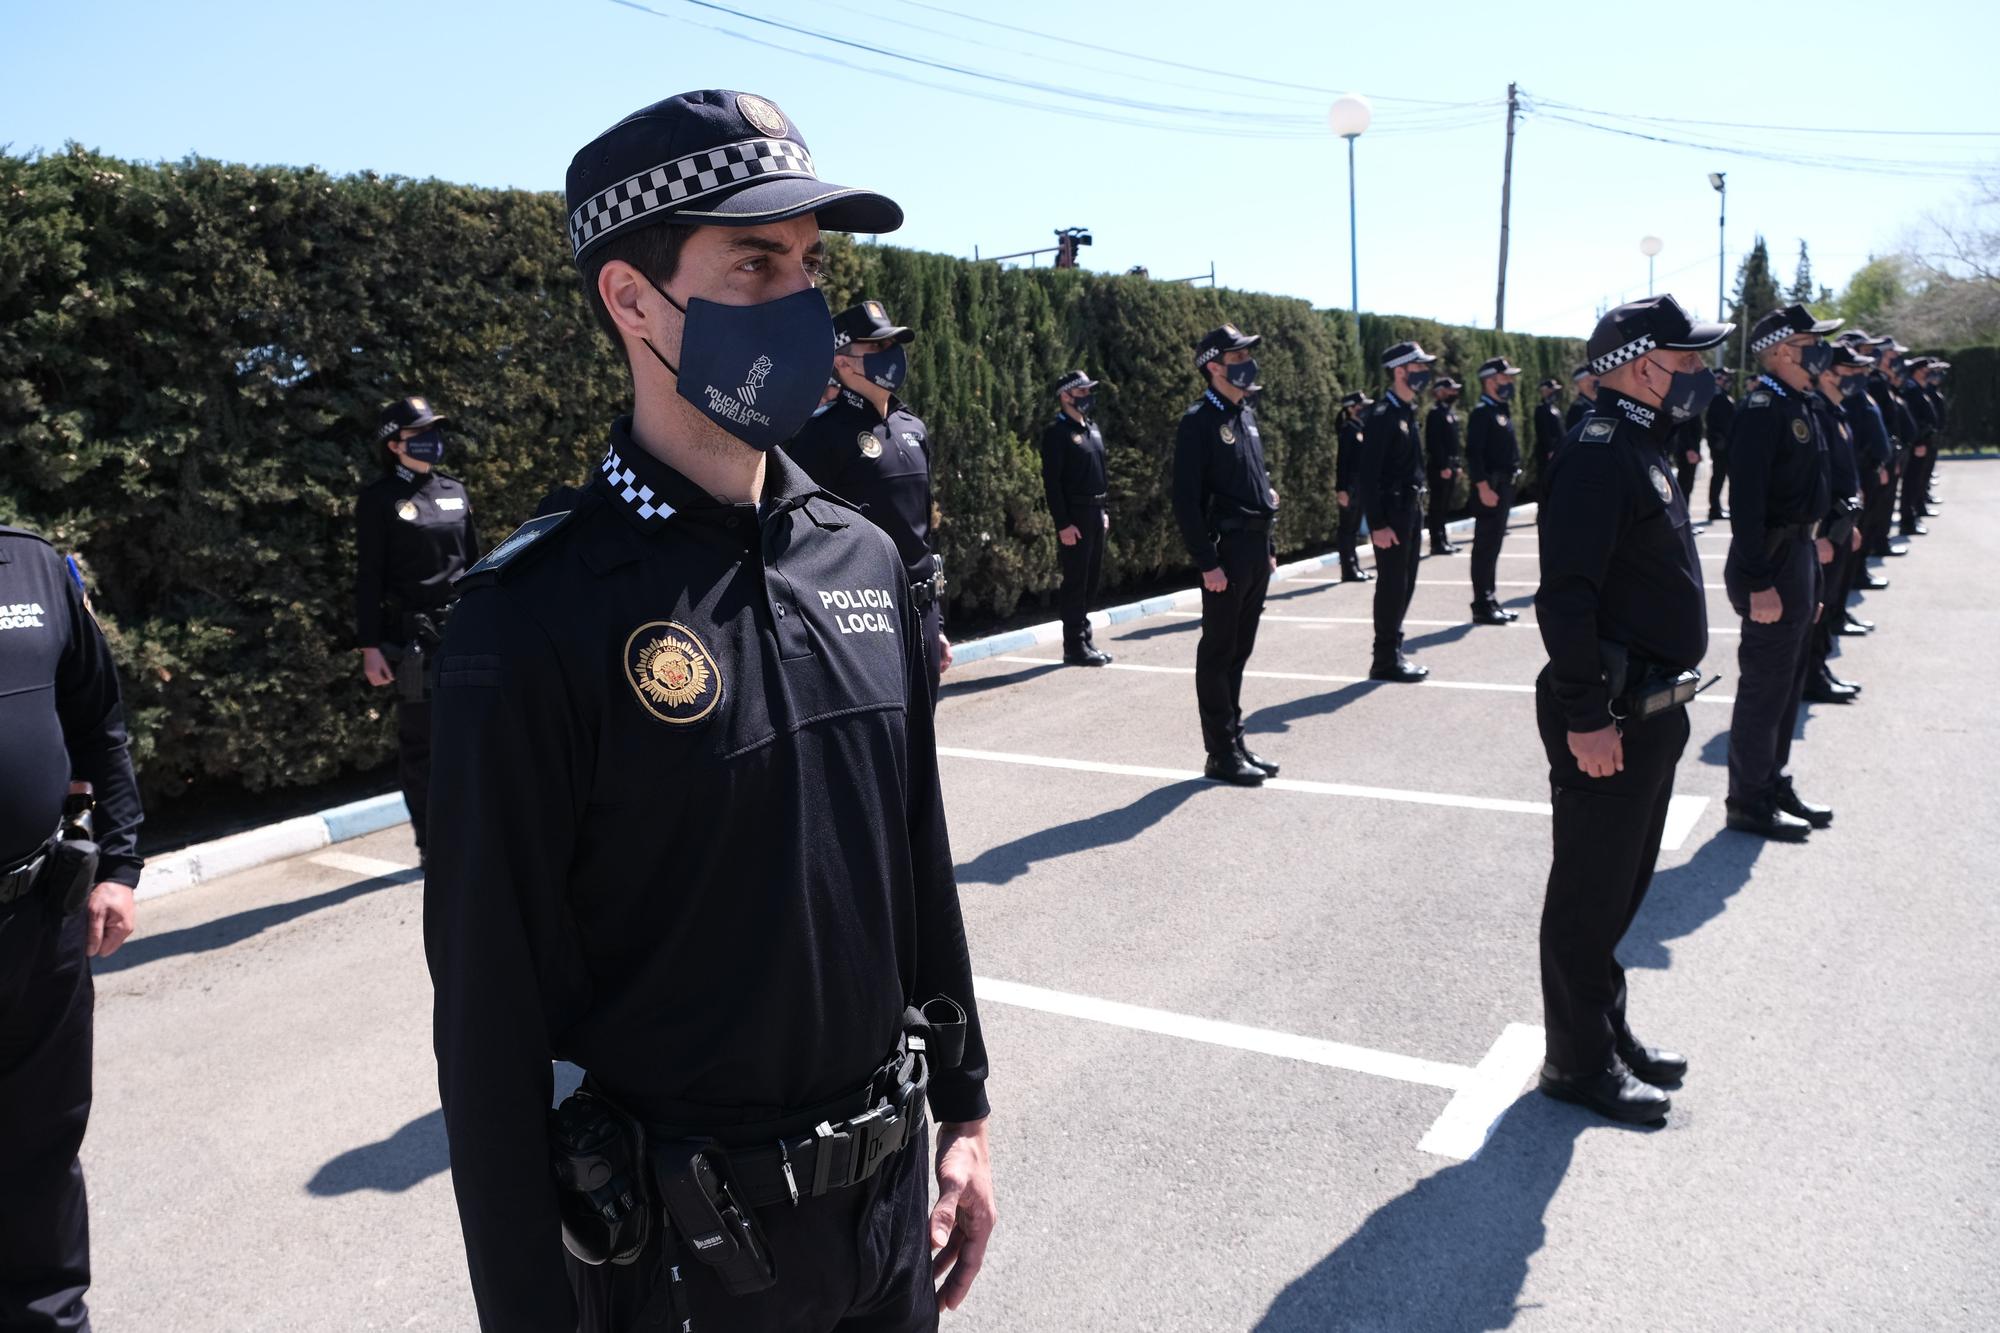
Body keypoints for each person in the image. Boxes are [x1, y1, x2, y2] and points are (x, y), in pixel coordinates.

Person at [424, 89, 993, 1333]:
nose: (800, 303)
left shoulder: (860, 558)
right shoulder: (531, 615)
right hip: (687, 1266)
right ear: (631, 300)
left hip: (890, 1223)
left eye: (808, 263)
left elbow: (914, 854)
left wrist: (965, 1108)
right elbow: (487, 1018)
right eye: (751, 262)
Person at [1533, 294, 1730, 1125]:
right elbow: (1566, 597)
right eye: (1686, 361)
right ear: (1640, 365)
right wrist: (1586, 717)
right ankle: (1576, 1063)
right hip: (1610, 707)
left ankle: (1605, 1029)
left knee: (1620, 888)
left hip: (1653, 703)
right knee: (1588, 894)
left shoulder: (1645, 442)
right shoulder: (1597, 451)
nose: (1700, 374)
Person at [0, 524, 145, 1330]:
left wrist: (121, 866)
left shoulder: (33, 566)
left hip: (40, 921)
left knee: (41, 1154)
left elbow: (100, 721)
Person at [786, 299, 953, 702]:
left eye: (891, 346)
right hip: (862, 618)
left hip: (923, 612)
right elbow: (799, 542)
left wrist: (939, 624)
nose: (889, 356)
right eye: (875, 348)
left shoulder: (913, 428)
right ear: (842, 363)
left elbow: (921, 533)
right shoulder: (818, 436)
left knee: (920, 746)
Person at [1723, 304, 1841, 841]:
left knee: (1788, 685)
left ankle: (1772, 781)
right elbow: (1745, 504)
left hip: (1798, 555)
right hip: (1769, 560)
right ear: (1780, 352)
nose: (1820, 351)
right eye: (1809, 342)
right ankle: (1748, 800)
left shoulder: (1801, 403)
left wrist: (1807, 573)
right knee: (1764, 690)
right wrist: (1756, 581)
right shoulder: (1761, 408)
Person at [354, 396, 478, 862]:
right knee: (421, 743)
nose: (432, 440)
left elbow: (477, 563)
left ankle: (474, 829)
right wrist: (370, 645)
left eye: (435, 431)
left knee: (471, 733)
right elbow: (368, 577)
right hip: (410, 645)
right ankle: (432, 842)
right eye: (420, 433)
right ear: (393, 443)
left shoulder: (455, 491)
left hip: (464, 632)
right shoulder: (379, 500)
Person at [1173, 323, 1281, 785]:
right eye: (1237, 358)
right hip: (1227, 554)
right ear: (1213, 366)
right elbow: (1185, 500)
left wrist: (1270, 547)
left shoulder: (1246, 414)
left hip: (1255, 549)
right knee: (1218, 653)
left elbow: (1259, 485)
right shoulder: (1199, 420)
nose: (1246, 364)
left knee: (1239, 651)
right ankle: (1219, 753)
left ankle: (1235, 740)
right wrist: (1207, 563)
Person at [1359, 341, 1437, 683]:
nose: (1424, 373)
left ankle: (1394, 651)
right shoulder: (1382, 415)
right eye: (1418, 367)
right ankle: (1384, 658)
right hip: (1391, 513)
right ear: (1399, 371)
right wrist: (1376, 523)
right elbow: (1368, 475)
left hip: (1409, 508)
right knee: (1392, 585)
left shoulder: (1407, 411)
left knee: (1406, 583)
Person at [1801, 342, 1873, 704]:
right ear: (1827, 373)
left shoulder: (1835, 412)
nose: (1857, 378)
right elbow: (1817, 482)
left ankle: (1819, 669)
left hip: (1841, 526)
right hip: (1826, 531)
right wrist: (1821, 535)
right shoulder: (1816, 413)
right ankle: (1811, 677)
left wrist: (1851, 526)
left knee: (1828, 605)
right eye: (1850, 371)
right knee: (1818, 607)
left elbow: (1845, 476)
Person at [1039, 369, 1112, 666]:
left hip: (1096, 514)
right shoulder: (1057, 433)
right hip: (1076, 517)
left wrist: (1104, 511)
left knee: (1091, 581)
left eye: (1088, 391)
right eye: (1081, 392)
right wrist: (1063, 524)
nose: (1087, 397)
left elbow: (1102, 474)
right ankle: (1074, 645)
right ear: (1065, 395)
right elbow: (1053, 484)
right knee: (1076, 582)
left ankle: (1086, 638)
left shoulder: (1091, 429)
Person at [1465, 356, 1523, 626]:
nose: (1509, 382)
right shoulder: (1482, 413)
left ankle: (1490, 599)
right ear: (1490, 380)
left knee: (1494, 546)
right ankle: (1482, 603)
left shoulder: (1500, 410)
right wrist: (1482, 487)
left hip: (1503, 487)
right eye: (1505, 378)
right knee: (1485, 548)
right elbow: (1474, 455)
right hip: (1491, 488)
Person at [1864, 337, 1915, 560]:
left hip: (1892, 451)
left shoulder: (1883, 381)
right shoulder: (1874, 383)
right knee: (1876, 508)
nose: (1896, 361)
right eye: (1891, 356)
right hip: (1879, 457)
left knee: (1884, 504)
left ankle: (1879, 543)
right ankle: (1875, 545)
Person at [1334, 391, 1373, 583]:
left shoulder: (1360, 428)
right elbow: (1342, 462)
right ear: (1350, 408)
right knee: (1347, 529)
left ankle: (1355, 565)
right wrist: (1341, 489)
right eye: (1360, 405)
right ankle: (1348, 569)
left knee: (1354, 528)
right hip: (1350, 486)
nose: (1364, 409)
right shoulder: (1347, 429)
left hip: (1360, 484)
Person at [1424, 376, 1463, 556]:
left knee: (1444, 505)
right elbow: (1434, 443)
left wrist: (1457, 464)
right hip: (1440, 467)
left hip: (1450, 466)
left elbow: (1454, 442)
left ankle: (1444, 539)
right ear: (1439, 392)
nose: (1454, 393)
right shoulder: (1435, 413)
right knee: (1437, 505)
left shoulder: (1449, 412)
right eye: (1450, 390)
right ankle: (1436, 542)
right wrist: (1443, 466)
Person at [1704, 367, 1737, 522]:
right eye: (1724, 378)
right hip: (1721, 445)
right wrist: (1719, 440)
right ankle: (1714, 508)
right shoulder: (1717, 397)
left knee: (1722, 476)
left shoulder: (1722, 396)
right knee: (1719, 476)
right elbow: (1714, 423)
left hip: (1726, 444)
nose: (1727, 381)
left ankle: (1717, 507)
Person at [1532, 377, 1564, 498]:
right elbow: (1543, 432)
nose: (1553, 393)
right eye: (1551, 390)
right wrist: (1550, 450)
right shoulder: (1541, 409)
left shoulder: (1554, 408)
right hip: (1549, 454)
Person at [1563, 364, 1599, 431]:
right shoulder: (1577, 408)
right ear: (1582, 383)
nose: (1597, 379)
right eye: (1589, 379)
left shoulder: (1599, 403)